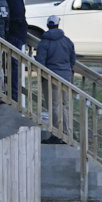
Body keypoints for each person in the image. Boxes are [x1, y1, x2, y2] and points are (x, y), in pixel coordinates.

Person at [35, 15, 77, 143]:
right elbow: (72, 60)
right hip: (65, 77)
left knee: (53, 106)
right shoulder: (67, 41)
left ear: (48, 26)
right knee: (62, 105)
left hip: (51, 78)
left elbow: (40, 63)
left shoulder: (44, 43)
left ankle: (57, 134)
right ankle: (66, 131)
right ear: (58, 25)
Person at [0, 0, 27, 101]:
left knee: (12, 66)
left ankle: (13, 95)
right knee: (6, 65)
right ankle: (9, 92)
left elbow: (17, 18)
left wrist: (6, 27)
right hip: (12, 35)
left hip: (15, 35)